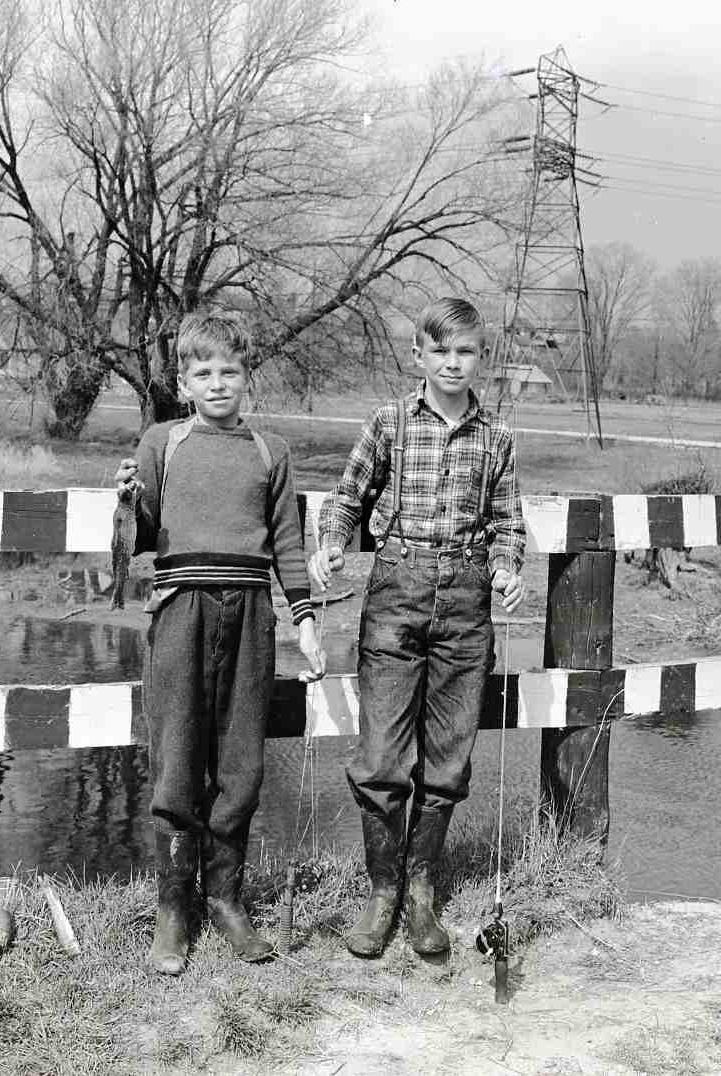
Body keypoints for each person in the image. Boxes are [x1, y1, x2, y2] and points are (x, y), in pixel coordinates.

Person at [309, 296, 527, 959]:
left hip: (466, 610)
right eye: (440, 351)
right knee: (381, 757)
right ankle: (382, 895)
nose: (452, 363)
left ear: (479, 358)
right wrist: (331, 540)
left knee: (447, 756)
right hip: (396, 598)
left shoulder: (497, 440)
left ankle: (423, 895)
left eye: (465, 352)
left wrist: (508, 569)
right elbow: (348, 495)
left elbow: (507, 524)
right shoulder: (389, 424)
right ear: (419, 356)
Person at [113, 309, 326, 977]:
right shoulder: (161, 443)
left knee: (241, 766)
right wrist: (126, 503)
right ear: (183, 383)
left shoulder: (271, 454)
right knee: (177, 760)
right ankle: (175, 909)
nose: (217, 383)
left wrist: (309, 622)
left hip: (252, 616)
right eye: (202, 372)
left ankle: (227, 897)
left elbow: (290, 546)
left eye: (229, 371)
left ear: (247, 379)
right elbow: (133, 542)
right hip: (180, 614)